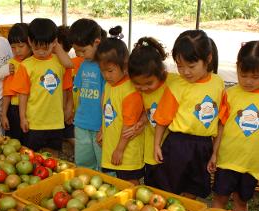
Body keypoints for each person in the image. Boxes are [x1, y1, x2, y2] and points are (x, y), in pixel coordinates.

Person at [153, 30, 224, 199]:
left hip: (203, 146)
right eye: (179, 66)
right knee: (170, 188)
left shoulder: (218, 83)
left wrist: (214, 152)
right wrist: (157, 144)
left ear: (208, 59)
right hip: (178, 144)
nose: (185, 72)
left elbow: (221, 120)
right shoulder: (177, 85)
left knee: (193, 188)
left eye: (191, 66)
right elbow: (163, 118)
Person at [207, 41, 259, 211]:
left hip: (251, 165)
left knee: (241, 201)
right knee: (220, 199)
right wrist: (214, 153)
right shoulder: (229, 95)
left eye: (255, 77)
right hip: (227, 161)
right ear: (237, 68)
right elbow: (220, 126)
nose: (249, 81)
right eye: (243, 75)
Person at [10, 18, 73, 155]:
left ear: (54, 43)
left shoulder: (60, 63)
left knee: (54, 155)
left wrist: (68, 107)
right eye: (36, 48)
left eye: (46, 48)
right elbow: (23, 94)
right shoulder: (26, 66)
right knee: (32, 155)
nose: (41, 52)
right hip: (35, 122)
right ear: (30, 41)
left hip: (56, 121)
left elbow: (69, 69)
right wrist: (22, 118)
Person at [95, 26, 145, 184]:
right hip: (114, 144)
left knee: (130, 182)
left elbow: (129, 126)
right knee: (116, 183)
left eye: (110, 71)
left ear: (124, 66)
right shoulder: (110, 84)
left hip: (127, 151)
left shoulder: (130, 90)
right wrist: (102, 130)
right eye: (102, 71)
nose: (106, 75)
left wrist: (119, 149)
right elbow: (106, 110)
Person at [128, 37, 175, 187]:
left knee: (169, 184)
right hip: (151, 145)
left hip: (170, 145)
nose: (143, 88)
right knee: (152, 183)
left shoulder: (173, 83)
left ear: (161, 72)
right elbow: (147, 111)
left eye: (148, 83)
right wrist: (142, 120)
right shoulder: (143, 90)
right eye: (137, 84)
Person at [69, 18, 106, 171]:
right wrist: (71, 109)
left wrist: (104, 127)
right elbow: (77, 88)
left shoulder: (107, 66)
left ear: (97, 42)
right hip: (82, 123)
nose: (79, 54)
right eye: (76, 51)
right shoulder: (84, 64)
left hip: (100, 125)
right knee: (84, 163)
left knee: (103, 165)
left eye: (82, 50)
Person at [1, 23, 31, 143]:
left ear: (30, 43)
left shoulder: (37, 61)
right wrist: (4, 114)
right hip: (15, 109)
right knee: (15, 143)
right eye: (13, 47)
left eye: (21, 46)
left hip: (34, 109)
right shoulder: (12, 64)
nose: (17, 51)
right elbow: (7, 91)